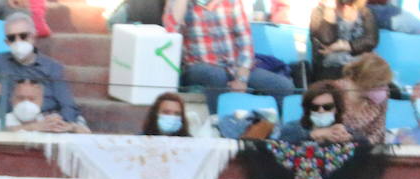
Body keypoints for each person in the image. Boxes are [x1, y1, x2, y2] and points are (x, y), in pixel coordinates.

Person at [161, 0, 295, 113]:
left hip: (234, 66)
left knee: (283, 86)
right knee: (216, 76)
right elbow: (171, 32)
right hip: (197, 67)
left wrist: (241, 78)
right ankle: (216, 123)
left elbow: (245, 41)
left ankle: (275, 132)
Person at [0, 12, 86, 125]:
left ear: (33, 37)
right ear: (7, 42)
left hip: (47, 120)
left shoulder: (52, 68)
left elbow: (68, 106)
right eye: (12, 38)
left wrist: (61, 123)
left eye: (23, 36)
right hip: (12, 125)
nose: (18, 41)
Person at [0, 76, 89, 131]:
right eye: (20, 98)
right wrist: (32, 127)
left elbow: (88, 136)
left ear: (41, 101)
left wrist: (71, 127)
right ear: (11, 100)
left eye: (32, 99)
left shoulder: (50, 120)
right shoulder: (1, 122)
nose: (26, 103)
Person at [310, 0, 378, 81]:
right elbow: (326, 40)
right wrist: (330, 9)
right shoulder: (319, 11)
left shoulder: (365, 12)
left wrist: (344, 46)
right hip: (330, 68)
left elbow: (371, 41)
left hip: (359, 66)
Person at [338, 52, 391, 143]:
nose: (382, 89)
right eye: (376, 85)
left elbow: (378, 132)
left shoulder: (381, 96)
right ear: (360, 81)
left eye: (383, 84)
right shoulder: (334, 92)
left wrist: (364, 144)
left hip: (365, 147)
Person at [277, 79, 352, 141]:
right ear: (308, 109)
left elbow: (360, 143)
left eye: (327, 107)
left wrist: (348, 140)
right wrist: (311, 135)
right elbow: (280, 145)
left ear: (337, 108)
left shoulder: (348, 129)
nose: (321, 111)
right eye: (314, 107)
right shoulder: (292, 128)